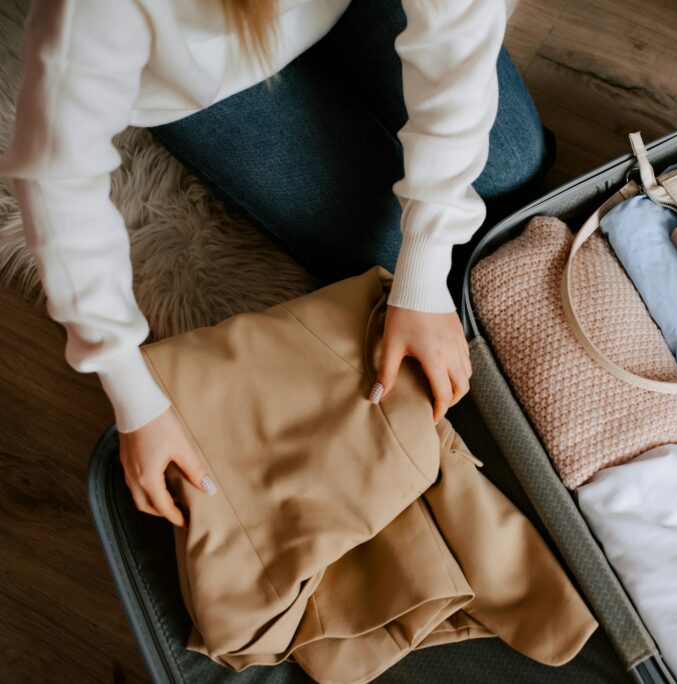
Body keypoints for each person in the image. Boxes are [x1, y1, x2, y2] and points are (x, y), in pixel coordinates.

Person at [0, 0, 549, 526]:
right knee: (382, 249)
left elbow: (459, 29)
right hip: (200, 83)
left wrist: (425, 268)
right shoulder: (92, 16)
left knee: (510, 167)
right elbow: (55, 181)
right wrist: (133, 393)